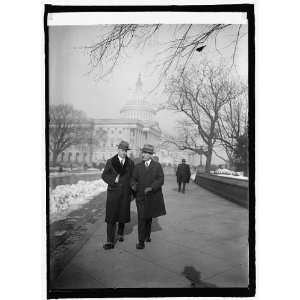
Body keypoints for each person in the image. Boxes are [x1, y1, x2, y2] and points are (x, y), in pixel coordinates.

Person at [131, 144, 166, 250]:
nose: (143, 155)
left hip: (152, 196)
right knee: (141, 218)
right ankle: (141, 242)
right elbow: (133, 179)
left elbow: (161, 180)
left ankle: (147, 235)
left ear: (151, 155)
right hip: (140, 197)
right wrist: (133, 185)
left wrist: (152, 187)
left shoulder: (157, 166)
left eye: (146, 153)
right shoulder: (138, 166)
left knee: (149, 217)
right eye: (143, 152)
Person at [101, 141, 134, 250]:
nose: (124, 153)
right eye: (122, 150)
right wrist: (113, 179)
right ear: (118, 150)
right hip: (113, 193)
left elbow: (133, 178)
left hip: (125, 193)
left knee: (122, 214)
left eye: (125, 151)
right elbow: (104, 175)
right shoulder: (110, 161)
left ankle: (120, 233)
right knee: (111, 217)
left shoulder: (130, 163)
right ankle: (110, 241)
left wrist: (133, 191)